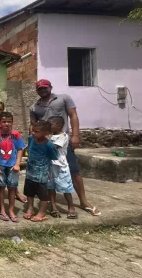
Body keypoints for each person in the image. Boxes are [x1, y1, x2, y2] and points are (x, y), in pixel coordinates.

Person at [30, 79, 100, 216]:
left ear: (50, 87)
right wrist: (32, 144)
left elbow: (73, 115)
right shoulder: (34, 107)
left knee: (73, 171)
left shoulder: (64, 98)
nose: (43, 90)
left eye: (45, 88)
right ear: (37, 91)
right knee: (48, 175)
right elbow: (32, 125)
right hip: (44, 145)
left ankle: (83, 201)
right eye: (40, 89)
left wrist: (75, 135)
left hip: (62, 144)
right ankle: (52, 203)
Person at [0, 112, 25, 223]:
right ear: (0, 122)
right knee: (1, 188)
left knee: (12, 188)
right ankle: (2, 210)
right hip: (0, 165)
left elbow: (20, 149)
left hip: (12, 166)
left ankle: (11, 210)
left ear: (12, 122)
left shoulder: (16, 134)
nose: (6, 124)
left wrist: (17, 164)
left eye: (9, 121)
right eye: (4, 121)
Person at [23, 121, 58, 222]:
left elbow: (53, 156)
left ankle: (42, 212)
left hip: (42, 174)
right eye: (33, 130)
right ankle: (30, 208)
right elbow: (29, 149)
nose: (33, 133)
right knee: (29, 192)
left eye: (36, 131)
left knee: (43, 195)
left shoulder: (49, 145)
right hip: (30, 172)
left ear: (46, 133)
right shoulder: (31, 139)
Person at [47, 116, 77, 219]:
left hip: (61, 166)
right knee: (50, 187)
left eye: (50, 124)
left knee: (66, 187)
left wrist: (45, 139)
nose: (48, 127)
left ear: (59, 125)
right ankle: (53, 207)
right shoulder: (50, 136)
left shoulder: (63, 136)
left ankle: (71, 207)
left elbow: (54, 147)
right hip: (50, 165)